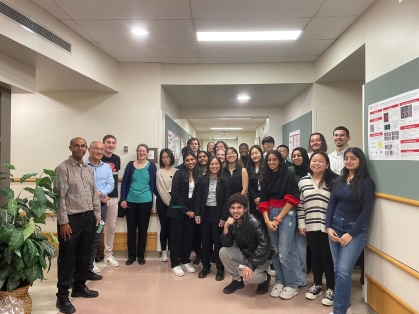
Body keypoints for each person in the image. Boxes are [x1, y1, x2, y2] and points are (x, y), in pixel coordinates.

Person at [54, 137, 101, 314]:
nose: (80, 148)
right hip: (71, 220)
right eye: (77, 145)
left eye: (83, 146)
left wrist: (97, 215)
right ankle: (62, 296)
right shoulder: (62, 168)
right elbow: (60, 198)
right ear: (71, 148)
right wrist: (63, 221)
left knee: (84, 254)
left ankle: (80, 286)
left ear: (86, 149)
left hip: (89, 218)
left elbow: (94, 195)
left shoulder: (88, 170)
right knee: (67, 258)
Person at [326, 148, 375, 314]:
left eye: (353, 158)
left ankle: (339, 310)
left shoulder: (367, 182)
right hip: (335, 226)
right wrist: (328, 227)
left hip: (354, 229)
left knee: (344, 271)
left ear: (360, 160)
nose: (349, 161)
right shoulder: (339, 179)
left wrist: (351, 233)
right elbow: (332, 204)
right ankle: (345, 306)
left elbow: (366, 212)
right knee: (336, 268)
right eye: (346, 158)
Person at [258, 150, 301, 300]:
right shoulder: (265, 176)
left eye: (274, 160)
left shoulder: (288, 175)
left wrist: (277, 219)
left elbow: (292, 199)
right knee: (275, 251)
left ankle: (292, 285)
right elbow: (263, 200)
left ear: (280, 160)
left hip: (285, 214)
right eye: (269, 160)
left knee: (284, 252)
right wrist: (267, 220)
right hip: (270, 214)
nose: (271, 163)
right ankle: (280, 282)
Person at [297, 152, 338, 306]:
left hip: (329, 226)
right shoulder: (303, 181)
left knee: (328, 256)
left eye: (321, 161)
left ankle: (331, 288)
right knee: (315, 255)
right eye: (314, 161)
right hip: (310, 224)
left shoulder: (334, 181)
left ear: (327, 164)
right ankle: (317, 285)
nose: (316, 163)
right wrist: (302, 224)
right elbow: (300, 205)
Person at [219, 193, 273, 295]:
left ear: (245, 209)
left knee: (249, 277)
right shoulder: (232, 222)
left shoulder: (254, 222)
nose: (235, 211)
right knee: (223, 251)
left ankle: (265, 278)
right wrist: (226, 227)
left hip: (262, 257)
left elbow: (264, 245)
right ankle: (237, 280)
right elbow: (227, 244)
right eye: (233, 208)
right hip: (246, 254)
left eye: (239, 208)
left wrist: (250, 265)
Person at [120, 144, 158, 266]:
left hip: (146, 201)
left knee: (143, 230)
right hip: (131, 201)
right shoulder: (130, 165)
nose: (141, 153)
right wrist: (122, 199)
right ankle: (131, 256)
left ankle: (140, 255)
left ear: (147, 152)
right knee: (131, 230)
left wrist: (153, 202)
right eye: (140, 151)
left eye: (144, 151)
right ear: (137, 152)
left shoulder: (152, 166)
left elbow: (154, 185)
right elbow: (124, 182)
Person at [194, 156, 230, 280]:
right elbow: (198, 198)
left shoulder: (225, 180)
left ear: (220, 166)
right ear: (208, 166)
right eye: (212, 164)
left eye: (216, 164)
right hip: (205, 214)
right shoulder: (202, 180)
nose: (214, 166)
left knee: (217, 242)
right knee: (206, 241)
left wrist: (224, 218)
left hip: (218, 214)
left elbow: (227, 201)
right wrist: (197, 214)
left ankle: (220, 268)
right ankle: (205, 266)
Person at [167, 151, 200, 276]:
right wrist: (185, 210)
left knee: (188, 238)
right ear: (184, 162)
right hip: (177, 211)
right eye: (187, 160)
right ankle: (175, 263)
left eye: (192, 159)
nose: (190, 162)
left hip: (191, 213)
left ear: (195, 160)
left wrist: (193, 211)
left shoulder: (198, 174)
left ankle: (185, 260)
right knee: (176, 238)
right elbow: (176, 194)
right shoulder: (178, 173)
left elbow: (198, 195)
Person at [85, 141, 114, 280]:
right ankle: (83, 267)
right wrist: (96, 196)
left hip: (101, 206)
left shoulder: (107, 167)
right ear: (89, 149)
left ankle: (90, 265)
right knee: (85, 237)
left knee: (97, 235)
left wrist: (101, 193)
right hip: (85, 206)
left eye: (101, 149)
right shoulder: (83, 166)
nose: (99, 151)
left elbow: (111, 184)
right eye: (96, 148)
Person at [288, 147, 311, 290]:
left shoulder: (311, 172)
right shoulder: (289, 171)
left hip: (307, 213)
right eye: (294, 155)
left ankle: (301, 276)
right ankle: (295, 277)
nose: (296, 158)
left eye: (299, 155)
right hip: (289, 211)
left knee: (301, 248)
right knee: (291, 249)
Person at [101, 135, 121, 268]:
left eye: (113, 143)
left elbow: (112, 179)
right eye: (108, 142)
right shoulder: (97, 157)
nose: (111, 145)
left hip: (113, 197)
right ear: (103, 144)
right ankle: (91, 258)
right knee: (97, 227)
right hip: (99, 198)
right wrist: (102, 195)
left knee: (111, 227)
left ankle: (108, 255)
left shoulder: (117, 159)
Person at [156, 148, 177, 262]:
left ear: (171, 158)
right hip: (163, 203)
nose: (165, 159)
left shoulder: (177, 171)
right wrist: (172, 204)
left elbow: (179, 190)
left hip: (175, 203)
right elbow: (162, 190)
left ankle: (173, 250)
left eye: (167, 157)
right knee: (165, 227)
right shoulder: (159, 172)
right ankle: (164, 251)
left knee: (174, 228)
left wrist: (176, 204)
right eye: (163, 157)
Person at [246, 145, 264, 221]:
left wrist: (261, 197)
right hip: (253, 199)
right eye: (252, 154)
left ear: (261, 153)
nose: (254, 156)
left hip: (265, 198)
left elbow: (268, 184)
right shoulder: (249, 168)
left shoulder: (267, 167)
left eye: (256, 153)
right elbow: (249, 186)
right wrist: (255, 198)